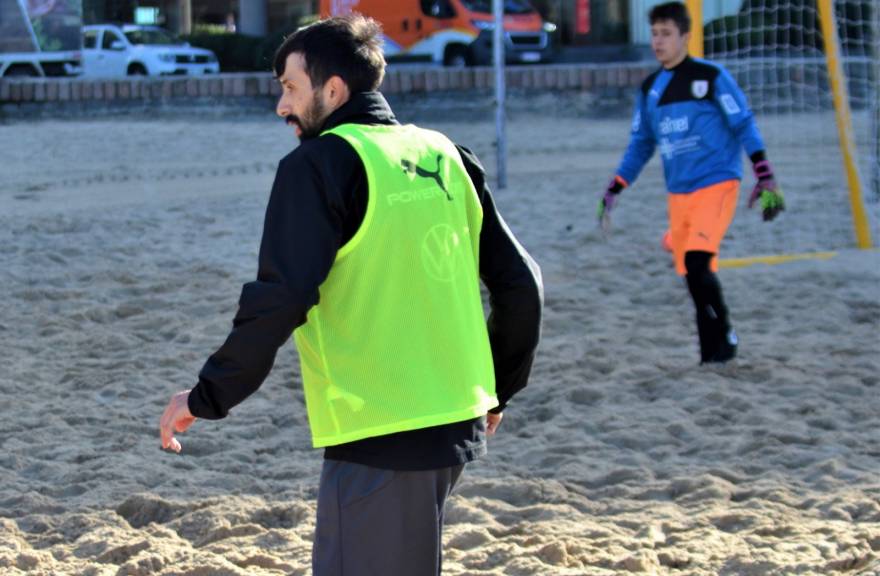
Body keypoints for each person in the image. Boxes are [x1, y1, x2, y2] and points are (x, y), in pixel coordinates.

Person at [158, 14, 543, 576]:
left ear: (333, 90)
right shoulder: (446, 154)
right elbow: (522, 285)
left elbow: (280, 299)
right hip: (453, 420)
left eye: (291, 87)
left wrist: (207, 396)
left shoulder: (317, 166)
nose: (281, 106)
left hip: (383, 430)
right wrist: (497, 390)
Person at [597, 1, 784, 364]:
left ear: (685, 36)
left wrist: (764, 173)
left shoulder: (711, 77)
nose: (658, 41)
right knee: (693, 275)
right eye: (654, 34)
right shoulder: (650, 88)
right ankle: (710, 354)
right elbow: (641, 145)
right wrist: (615, 187)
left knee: (698, 262)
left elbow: (743, 123)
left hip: (717, 183)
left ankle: (726, 334)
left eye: (666, 34)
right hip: (678, 194)